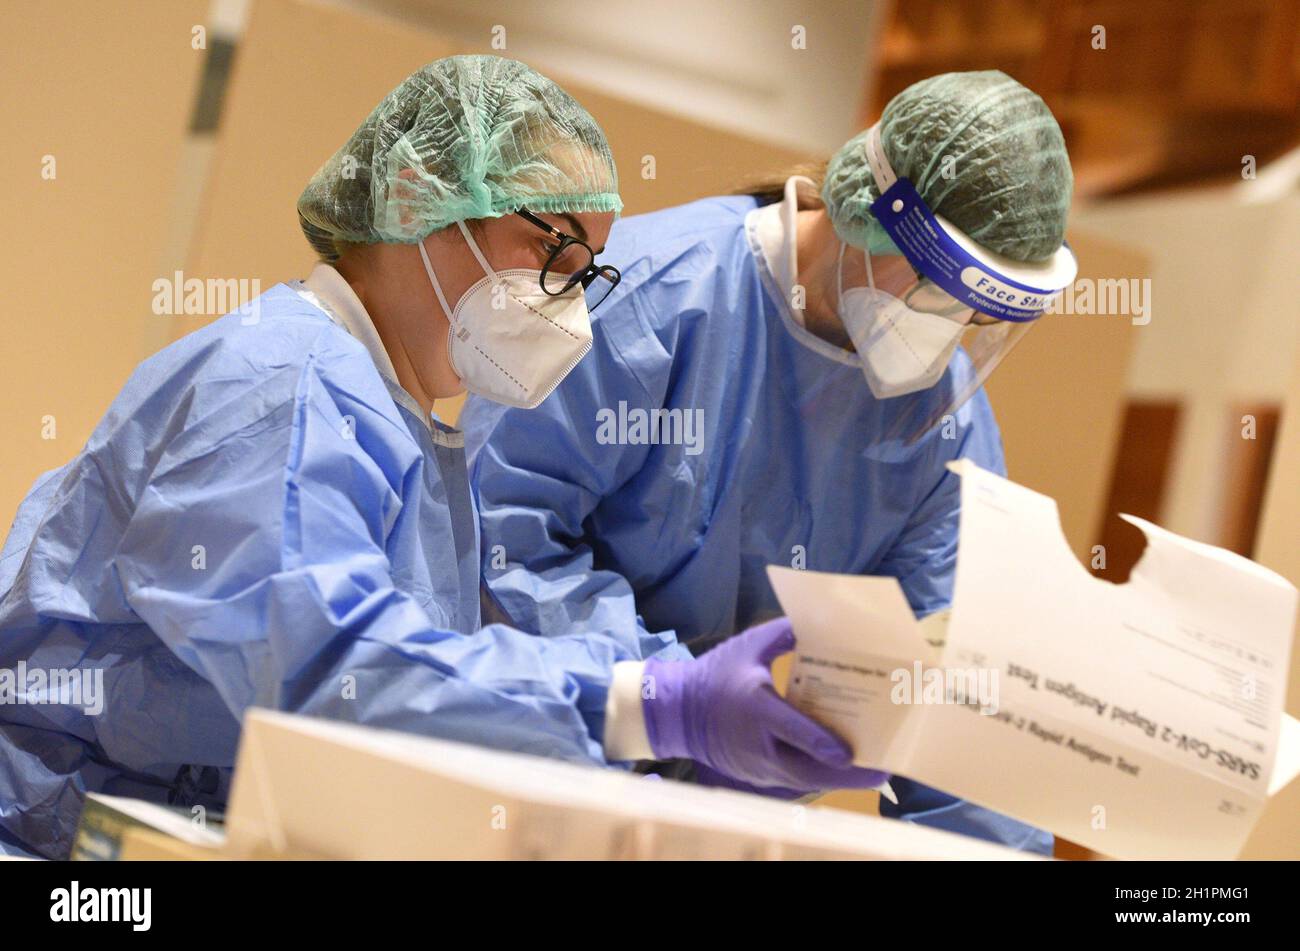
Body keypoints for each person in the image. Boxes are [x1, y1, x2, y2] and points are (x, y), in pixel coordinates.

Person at [0, 55, 881, 859]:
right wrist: (647, 704)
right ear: (420, 198)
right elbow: (335, 669)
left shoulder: (403, 423)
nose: (569, 302)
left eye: (589, 271)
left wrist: (666, 744)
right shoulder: (279, 384)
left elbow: (430, 675)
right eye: (550, 249)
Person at [462, 70, 1079, 853]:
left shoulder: (940, 422)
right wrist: (678, 704)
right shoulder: (648, 303)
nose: (946, 325)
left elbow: (955, 692)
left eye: (973, 311)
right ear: (870, 217)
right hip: (531, 774)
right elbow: (501, 539)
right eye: (936, 286)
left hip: (728, 830)